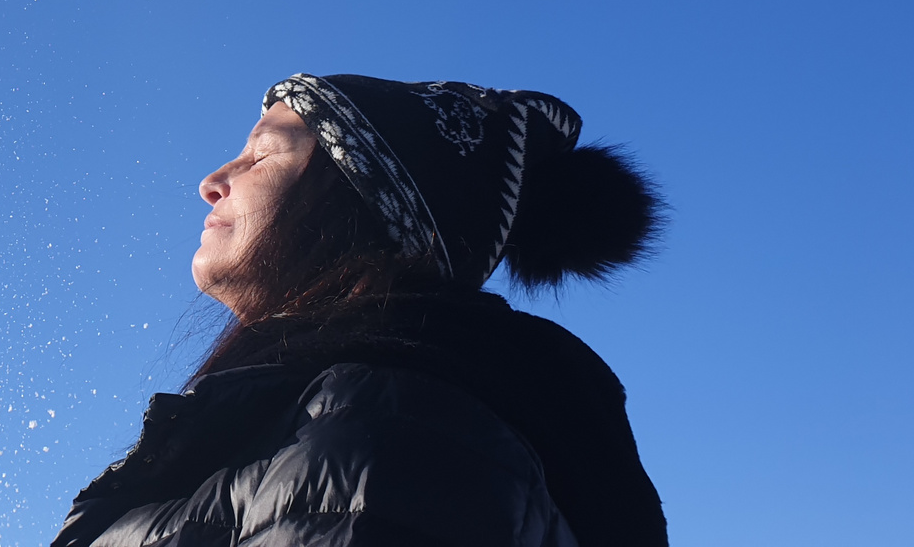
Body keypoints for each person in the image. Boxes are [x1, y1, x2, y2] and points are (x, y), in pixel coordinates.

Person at [52, 73, 668, 547]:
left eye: (262, 154)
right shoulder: (341, 417)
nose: (214, 180)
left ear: (359, 204)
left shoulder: (389, 431)